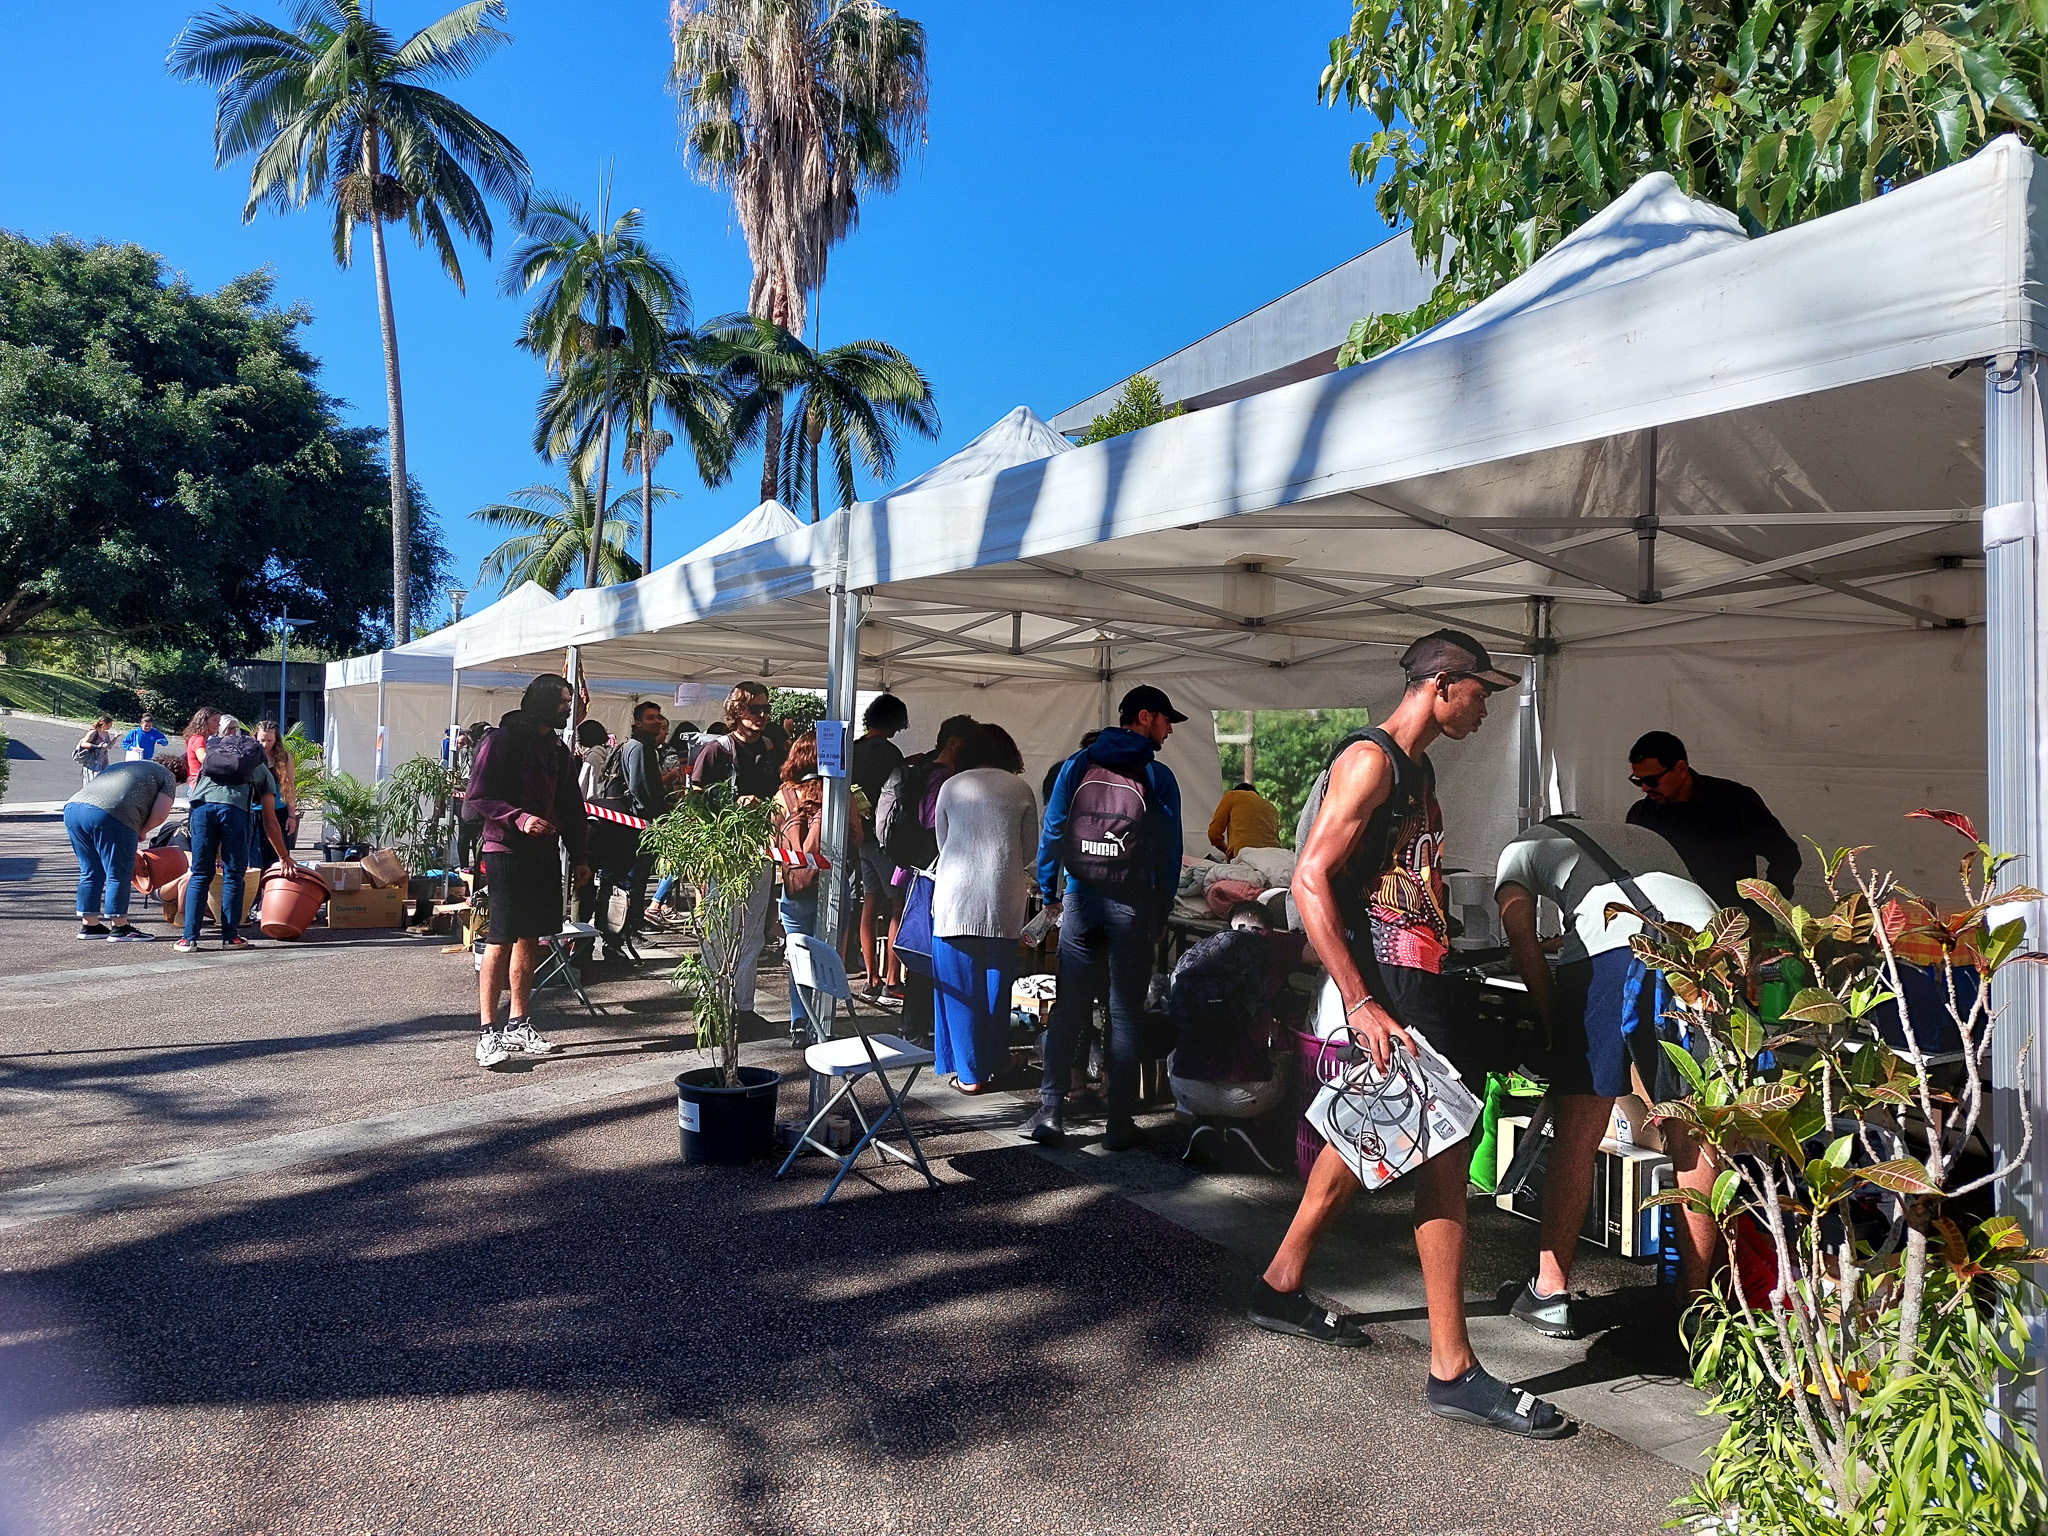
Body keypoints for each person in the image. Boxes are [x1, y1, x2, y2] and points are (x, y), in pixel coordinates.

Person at [1247, 629, 1569, 1440]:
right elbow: (1307, 876)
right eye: (1480, 693)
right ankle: (1453, 1371)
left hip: (1412, 983)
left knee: (1363, 1142)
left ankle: (1279, 1283)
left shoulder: (1417, 769)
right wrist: (1359, 1001)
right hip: (1383, 993)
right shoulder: (1372, 760)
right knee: (1445, 1160)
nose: (1487, 708)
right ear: (1440, 684)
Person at [1494, 817, 1724, 1332]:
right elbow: (1668, 903)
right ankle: (1696, 1305)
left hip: (1615, 947)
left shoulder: (1521, 847)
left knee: (1580, 1126)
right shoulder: (1646, 836)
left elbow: (1517, 931)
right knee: (1691, 1124)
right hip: (1705, 947)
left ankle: (1550, 1291)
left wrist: (1553, 1016)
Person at [1024, 684, 1187, 1150]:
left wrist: (1053, 890)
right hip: (1131, 906)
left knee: (1071, 1007)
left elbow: (1054, 829)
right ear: (1144, 717)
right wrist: (1162, 905)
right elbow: (1170, 851)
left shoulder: (1078, 764)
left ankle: (1052, 1111)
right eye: (1165, 719)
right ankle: (1118, 1121)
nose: (1169, 729)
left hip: (1080, 902)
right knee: (1125, 1013)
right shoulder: (1157, 777)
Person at [465, 675, 589, 1069]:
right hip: (504, 850)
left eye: (569, 701)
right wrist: (519, 819)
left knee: (530, 938)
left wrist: (581, 856)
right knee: (499, 937)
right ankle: (488, 1032)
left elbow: (572, 807)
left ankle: (519, 1023)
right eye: (563, 701)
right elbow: (479, 797)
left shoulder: (557, 748)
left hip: (543, 854)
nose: (568, 708)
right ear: (541, 701)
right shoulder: (501, 740)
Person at [930, 724, 1040, 1094]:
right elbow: (1030, 853)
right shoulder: (1020, 789)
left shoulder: (951, 786)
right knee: (997, 990)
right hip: (1002, 899)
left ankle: (969, 1074)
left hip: (955, 899)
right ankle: (997, 1060)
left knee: (957, 989)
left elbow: (943, 843)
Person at [690, 681, 784, 1032]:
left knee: (752, 933)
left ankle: (743, 1008)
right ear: (737, 710)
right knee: (720, 933)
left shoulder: (771, 749)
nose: (760, 716)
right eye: (753, 709)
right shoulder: (717, 751)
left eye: (764, 709)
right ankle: (716, 1008)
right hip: (724, 854)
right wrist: (731, 806)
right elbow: (695, 802)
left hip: (759, 852)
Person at [1624, 730, 1801, 911]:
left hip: (1733, 927)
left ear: (1681, 769)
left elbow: (1785, 856)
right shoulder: (1641, 815)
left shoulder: (1734, 801)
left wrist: (1764, 906)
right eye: (1638, 781)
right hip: (1671, 927)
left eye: (1651, 780)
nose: (1645, 788)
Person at [875, 714, 979, 1020]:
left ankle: (916, 1018)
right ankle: (916, 1022)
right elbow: (932, 822)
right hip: (928, 873)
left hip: (912, 868)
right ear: (955, 743)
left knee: (919, 940)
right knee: (926, 947)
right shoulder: (942, 777)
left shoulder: (923, 770)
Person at [771, 729, 860, 1046]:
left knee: (798, 957)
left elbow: (774, 844)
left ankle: (799, 1023)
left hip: (795, 890)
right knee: (830, 957)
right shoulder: (842, 793)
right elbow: (858, 839)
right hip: (834, 889)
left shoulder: (783, 795)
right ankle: (824, 1022)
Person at [179, 718, 291, 954]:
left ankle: (188, 939)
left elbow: (197, 795)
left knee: (200, 873)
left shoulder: (212, 760)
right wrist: (283, 856)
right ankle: (230, 937)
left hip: (201, 810)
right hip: (234, 813)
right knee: (233, 875)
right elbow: (270, 822)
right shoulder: (260, 769)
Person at [66, 752, 186, 942]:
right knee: (119, 871)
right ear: (178, 776)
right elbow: (160, 814)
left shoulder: (127, 765)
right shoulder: (168, 776)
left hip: (73, 809)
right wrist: (143, 830)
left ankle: (89, 925)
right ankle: (119, 926)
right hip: (113, 814)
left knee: (90, 869)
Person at [600, 702, 673, 951]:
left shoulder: (642, 747)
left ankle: (624, 932)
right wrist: (659, 817)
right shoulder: (639, 748)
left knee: (630, 881)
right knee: (630, 882)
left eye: (658, 717)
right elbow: (641, 789)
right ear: (638, 722)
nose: (656, 721)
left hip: (631, 825)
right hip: (634, 827)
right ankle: (624, 932)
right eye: (650, 717)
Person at [850, 693, 910, 989]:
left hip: (859, 835)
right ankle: (892, 978)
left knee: (869, 903)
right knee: (897, 904)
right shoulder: (890, 753)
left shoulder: (853, 749)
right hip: (885, 839)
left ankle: (872, 975)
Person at [250, 720, 299, 875]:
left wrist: (292, 815)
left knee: (278, 859)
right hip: (255, 812)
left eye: (269, 740)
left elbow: (290, 788)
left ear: (276, 739)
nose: (265, 744)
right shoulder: (250, 756)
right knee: (255, 859)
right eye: (262, 740)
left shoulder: (284, 757)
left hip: (279, 811)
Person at [1208, 780, 1282, 860]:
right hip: (1275, 856)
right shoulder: (1271, 807)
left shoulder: (1233, 796)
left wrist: (1227, 851)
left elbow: (1214, 834)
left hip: (1245, 857)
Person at [181, 708, 221, 785]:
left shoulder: (198, 737)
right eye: (215, 720)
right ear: (204, 722)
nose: (218, 724)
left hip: (198, 782)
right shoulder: (199, 738)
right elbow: (202, 758)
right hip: (199, 783)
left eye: (219, 721)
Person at [75, 718, 115, 784]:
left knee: (102, 779)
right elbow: (84, 743)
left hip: (103, 760)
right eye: (110, 724)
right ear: (104, 724)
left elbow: (109, 746)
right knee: (91, 780)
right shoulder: (93, 732)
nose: (111, 726)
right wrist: (97, 746)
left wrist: (116, 737)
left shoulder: (106, 733)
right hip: (92, 759)